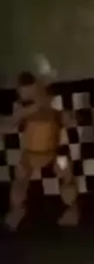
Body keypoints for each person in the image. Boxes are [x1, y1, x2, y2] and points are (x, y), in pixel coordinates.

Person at [2, 71, 79, 231]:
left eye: (35, 94)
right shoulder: (23, 113)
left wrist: (70, 119)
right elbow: (7, 125)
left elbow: (70, 120)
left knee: (65, 168)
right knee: (20, 175)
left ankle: (72, 210)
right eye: (27, 97)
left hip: (54, 153)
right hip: (30, 155)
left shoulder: (54, 112)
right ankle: (17, 211)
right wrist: (27, 110)